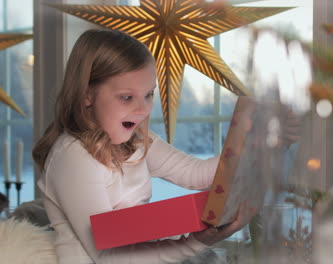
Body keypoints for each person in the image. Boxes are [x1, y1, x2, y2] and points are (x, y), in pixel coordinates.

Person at [32, 29, 255, 264]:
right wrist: (193, 243)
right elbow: (108, 257)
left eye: (149, 95)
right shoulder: (73, 157)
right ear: (87, 95)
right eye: (127, 97)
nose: (143, 110)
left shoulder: (136, 140)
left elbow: (196, 174)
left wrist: (253, 147)